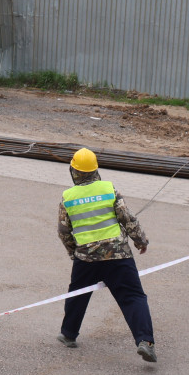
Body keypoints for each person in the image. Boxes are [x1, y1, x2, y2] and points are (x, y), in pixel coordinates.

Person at [56, 147, 157, 362]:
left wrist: (74, 254)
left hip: (86, 258)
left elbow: (63, 232)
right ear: (95, 170)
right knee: (133, 297)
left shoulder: (68, 197)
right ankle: (145, 341)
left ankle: (68, 335)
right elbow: (127, 218)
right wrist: (140, 241)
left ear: (73, 170)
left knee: (77, 295)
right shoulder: (109, 189)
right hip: (118, 255)